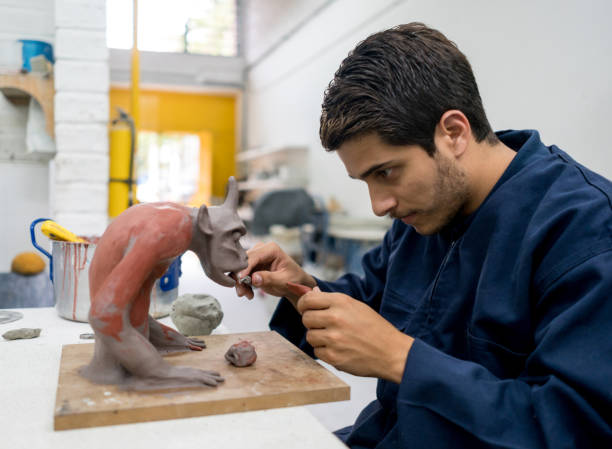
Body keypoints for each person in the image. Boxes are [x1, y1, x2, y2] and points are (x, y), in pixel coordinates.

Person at [235, 23, 612, 448]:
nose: (379, 204)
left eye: (386, 172)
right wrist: (301, 289)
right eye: (365, 181)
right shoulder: (423, 216)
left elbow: (573, 427)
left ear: (453, 132)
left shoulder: (586, 233)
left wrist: (401, 358)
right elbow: (365, 301)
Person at [81, 177, 248, 390]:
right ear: (205, 222)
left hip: (119, 345)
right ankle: (135, 372)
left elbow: (134, 302)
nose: (242, 254)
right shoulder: (172, 230)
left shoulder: (179, 226)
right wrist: (159, 371)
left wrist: (164, 336)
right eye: (233, 239)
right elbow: (104, 315)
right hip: (112, 367)